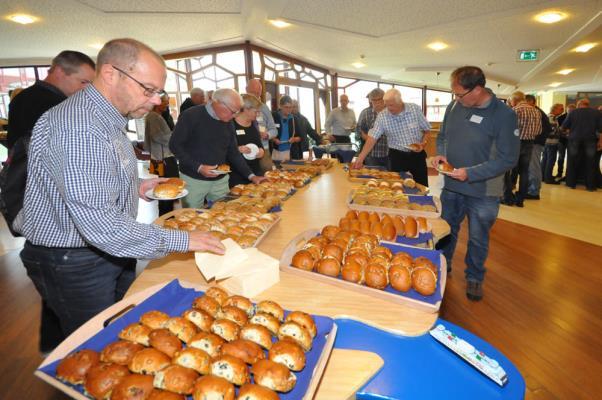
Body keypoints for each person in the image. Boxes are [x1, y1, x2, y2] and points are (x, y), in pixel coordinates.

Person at [16, 38, 225, 354]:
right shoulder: (81, 127)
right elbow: (101, 226)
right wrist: (184, 240)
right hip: (73, 258)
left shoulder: (105, 118)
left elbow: (87, 184)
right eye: (148, 89)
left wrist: (135, 187)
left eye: (159, 92)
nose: (156, 101)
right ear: (111, 74)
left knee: (121, 332)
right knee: (99, 350)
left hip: (99, 252)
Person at [432, 66, 519, 301]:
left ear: (478, 89)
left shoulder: (504, 115)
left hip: (484, 190)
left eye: (460, 94)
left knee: (478, 237)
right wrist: (441, 154)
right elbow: (443, 137)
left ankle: (474, 277)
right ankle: (443, 265)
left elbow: (508, 159)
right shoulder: (455, 106)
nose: (456, 99)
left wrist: (469, 173)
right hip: (452, 185)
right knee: (446, 230)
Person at [1, 51, 95, 238]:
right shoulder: (52, 104)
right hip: (51, 202)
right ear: (59, 71)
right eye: (83, 82)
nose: (86, 89)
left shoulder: (23, 98)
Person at [170, 88, 266, 207]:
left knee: (225, 213)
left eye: (237, 112)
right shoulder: (191, 115)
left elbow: (233, 153)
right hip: (193, 179)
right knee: (192, 217)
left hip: (220, 180)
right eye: (233, 111)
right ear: (219, 103)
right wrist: (199, 167)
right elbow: (174, 146)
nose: (234, 116)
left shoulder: (228, 121)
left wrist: (252, 176)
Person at [352, 88, 431, 186]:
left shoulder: (414, 109)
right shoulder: (382, 116)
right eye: (386, 105)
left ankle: (422, 201)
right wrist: (360, 158)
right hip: (397, 156)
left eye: (391, 105)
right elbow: (372, 138)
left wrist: (423, 143)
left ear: (400, 102)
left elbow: (427, 130)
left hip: (417, 155)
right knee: (397, 185)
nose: (388, 108)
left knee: (421, 185)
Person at [502, 91, 541, 207]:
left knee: (507, 170)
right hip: (529, 143)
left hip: (515, 143)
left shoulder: (515, 111)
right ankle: (520, 200)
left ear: (514, 100)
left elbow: (508, 129)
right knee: (524, 171)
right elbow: (538, 131)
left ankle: (508, 198)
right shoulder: (536, 111)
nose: (510, 103)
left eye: (510, 101)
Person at [144, 98, 179, 215]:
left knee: (164, 187)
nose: (167, 104)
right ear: (156, 103)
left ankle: (166, 217)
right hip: (164, 158)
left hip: (159, 157)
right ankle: (166, 218)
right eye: (164, 101)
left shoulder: (155, 115)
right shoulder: (154, 116)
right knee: (168, 188)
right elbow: (157, 136)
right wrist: (174, 137)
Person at [561, 98, 602, 191]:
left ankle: (571, 183)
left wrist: (569, 131)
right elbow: (600, 129)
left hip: (574, 139)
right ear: (588, 104)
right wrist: (600, 142)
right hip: (590, 140)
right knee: (591, 163)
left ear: (579, 104)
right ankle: (590, 186)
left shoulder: (573, 112)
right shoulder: (596, 113)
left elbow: (564, 126)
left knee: (573, 162)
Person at [230, 94, 265, 187]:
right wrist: (238, 149)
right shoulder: (230, 124)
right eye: (255, 111)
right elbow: (224, 149)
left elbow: (259, 145)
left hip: (255, 172)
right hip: (237, 175)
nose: (257, 114)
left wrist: (261, 151)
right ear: (246, 109)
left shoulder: (253, 125)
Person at [246, 79, 277, 173]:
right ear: (246, 89)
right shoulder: (240, 107)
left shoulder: (264, 107)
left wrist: (267, 135)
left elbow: (274, 130)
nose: (255, 96)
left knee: (268, 177)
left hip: (264, 149)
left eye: (257, 93)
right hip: (245, 150)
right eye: (252, 93)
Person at [525, 94, 552, 200]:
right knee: (532, 167)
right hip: (535, 143)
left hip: (535, 143)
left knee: (533, 167)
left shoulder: (536, 112)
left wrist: (535, 137)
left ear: (531, 101)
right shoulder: (537, 112)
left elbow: (547, 129)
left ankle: (534, 191)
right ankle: (530, 189)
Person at [355, 88, 389, 168]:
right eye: (374, 101)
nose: (377, 103)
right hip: (371, 154)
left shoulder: (391, 112)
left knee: (388, 177)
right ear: (370, 101)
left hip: (389, 153)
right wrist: (365, 137)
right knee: (372, 178)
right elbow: (358, 129)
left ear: (384, 100)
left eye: (379, 100)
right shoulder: (365, 113)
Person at [272, 95, 303, 161]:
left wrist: (294, 139)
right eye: (286, 107)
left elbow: (301, 137)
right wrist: (274, 140)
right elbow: (268, 132)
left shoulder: (294, 119)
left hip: (291, 153)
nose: (289, 110)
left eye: (290, 107)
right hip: (276, 152)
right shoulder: (274, 116)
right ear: (280, 106)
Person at [542, 103, 564, 185]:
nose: (562, 110)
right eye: (561, 108)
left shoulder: (548, 116)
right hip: (552, 142)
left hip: (546, 142)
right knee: (550, 161)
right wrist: (561, 132)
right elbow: (551, 132)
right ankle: (548, 178)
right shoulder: (552, 118)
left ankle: (543, 176)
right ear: (555, 109)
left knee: (545, 160)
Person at [556, 103, 575, 180]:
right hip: (562, 140)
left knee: (570, 158)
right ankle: (559, 173)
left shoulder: (576, 117)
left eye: (572, 111)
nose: (570, 112)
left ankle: (568, 174)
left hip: (571, 141)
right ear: (566, 110)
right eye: (569, 110)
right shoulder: (560, 118)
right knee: (561, 157)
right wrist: (566, 131)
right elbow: (559, 129)